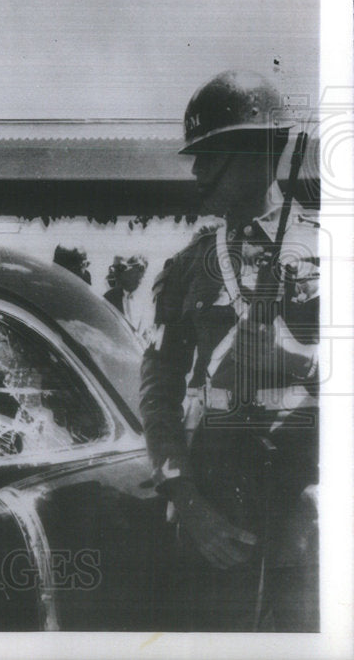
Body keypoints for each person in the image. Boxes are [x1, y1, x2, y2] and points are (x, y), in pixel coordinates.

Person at [140, 70, 318, 631]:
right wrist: (189, 505)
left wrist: (296, 360)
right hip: (216, 497)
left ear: (264, 150)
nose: (196, 171)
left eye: (211, 152)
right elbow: (158, 392)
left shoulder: (328, 252)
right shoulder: (189, 265)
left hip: (304, 486)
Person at [105, 255, 149, 342]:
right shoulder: (109, 298)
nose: (141, 275)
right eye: (139, 268)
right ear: (125, 270)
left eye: (143, 271)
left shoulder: (143, 302)